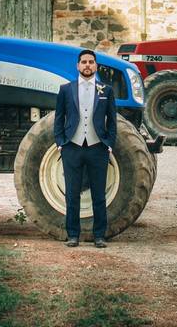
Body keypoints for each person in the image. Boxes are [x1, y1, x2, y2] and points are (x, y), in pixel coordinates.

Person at [54, 49, 117, 248]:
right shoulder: (66, 89)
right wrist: (60, 142)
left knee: (99, 195)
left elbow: (113, 121)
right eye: (84, 62)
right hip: (72, 147)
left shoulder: (106, 90)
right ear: (78, 66)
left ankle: (99, 236)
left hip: (97, 147)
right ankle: (73, 235)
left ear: (96, 66)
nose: (87, 65)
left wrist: (109, 144)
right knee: (72, 194)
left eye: (91, 62)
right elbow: (58, 118)